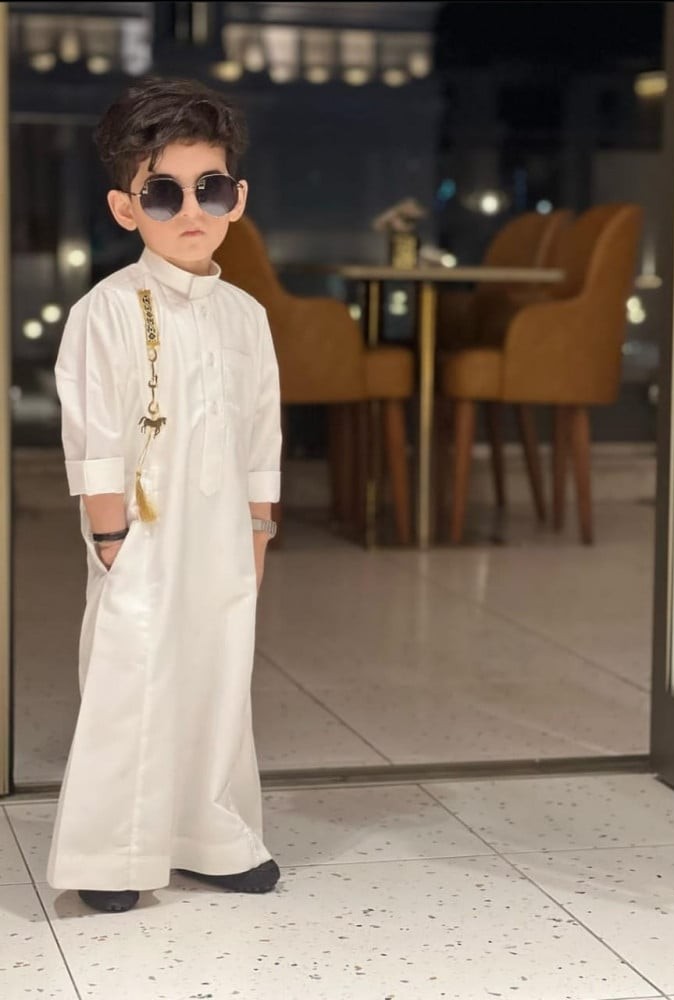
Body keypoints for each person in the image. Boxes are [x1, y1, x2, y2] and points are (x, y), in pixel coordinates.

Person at [47, 77, 282, 914]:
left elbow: (261, 432)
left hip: (224, 535)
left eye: (209, 189)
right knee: (132, 682)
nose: (191, 210)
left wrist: (258, 531)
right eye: (163, 193)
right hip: (139, 536)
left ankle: (212, 837)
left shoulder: (245, 316)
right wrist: (111, 541)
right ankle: (112, 855)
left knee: (219, 677)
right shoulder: (105, 311)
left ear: (235, 199)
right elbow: (94, 440)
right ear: (125, 208)